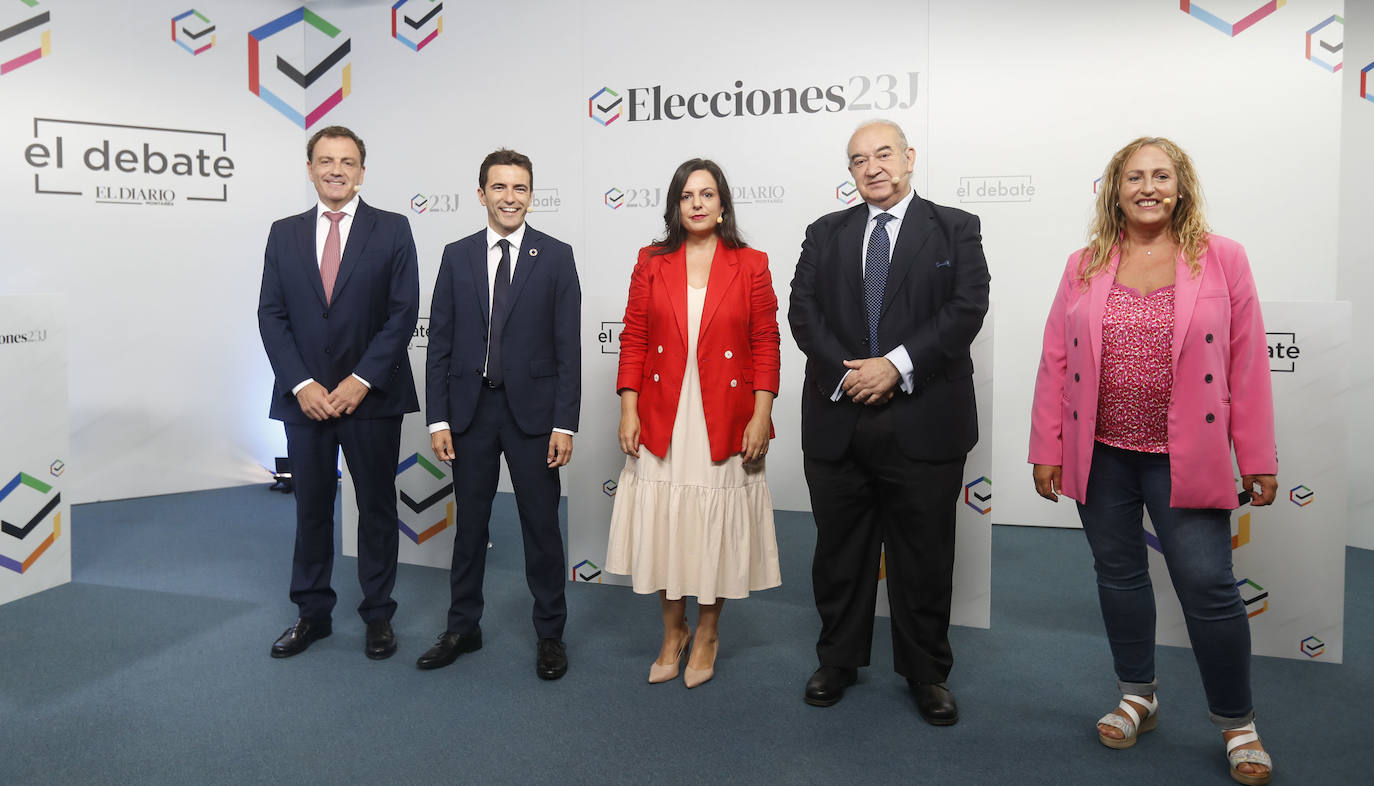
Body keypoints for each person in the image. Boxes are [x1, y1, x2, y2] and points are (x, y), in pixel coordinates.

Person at [1028, 136, 1276, 785]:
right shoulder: (1083, 264)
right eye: (1134, 176)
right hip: (1101, 453)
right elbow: (1056, 359)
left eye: (1160, 176)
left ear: (1181, 185)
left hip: (1182, 457)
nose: (1147, 187)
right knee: (1119, 577)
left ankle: (1237, 722)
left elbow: (1247, 367)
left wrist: (1257, 456)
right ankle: (1138, 694)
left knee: (1209, 588)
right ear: (1115, 189)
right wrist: (1045, 448)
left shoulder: (1223, 260)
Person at [788, 120, 989, 723]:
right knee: (839, 552)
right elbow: (803, 311)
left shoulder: (955, 228)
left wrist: (895, 367)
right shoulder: (825, 233)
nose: (871, 167)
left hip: (923, 418)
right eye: (857, 160)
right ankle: (838, 660)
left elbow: (966, 309)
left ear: (909, 158)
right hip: (839, 415)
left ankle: (926, 672)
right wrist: (851, 373)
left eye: (883, 154)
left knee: (923, 556)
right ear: (849, 173)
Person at [606, 158, 782, 689]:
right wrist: (629, 407)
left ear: (723, 203)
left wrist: (761, 413)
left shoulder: (751, 263)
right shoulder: (651, 261)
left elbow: (766, 342)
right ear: (675, 205)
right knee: (668, 524)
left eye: (707, 194)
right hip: (663, 412)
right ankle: (672, 630)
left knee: (713, 526)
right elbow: (634, 336)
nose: (698, 203)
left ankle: (707, 632)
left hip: (725, 415)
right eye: (688, 195)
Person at [257, 125, 420, 661]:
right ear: (309, 169)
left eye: (347, 161)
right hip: (304, 400)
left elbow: (402, 315)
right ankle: (312, 614)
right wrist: (301, 383)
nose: (336, 169)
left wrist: (360, 380)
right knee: (311, 508)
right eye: (325, 160)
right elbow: (271, 314)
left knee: (375, 507)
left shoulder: (393, 229)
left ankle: (378, 615)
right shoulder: (283, 233)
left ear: (362, 172)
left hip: (371, 398)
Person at [421, 149, 581, 680]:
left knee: (541, 528)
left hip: (534, 417)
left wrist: (565, 422)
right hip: (470, 414)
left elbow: (568, 348)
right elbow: (438, 341)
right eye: (499, 187)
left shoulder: (556, 256)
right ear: (481, 193)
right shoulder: (456, 254)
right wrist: (438, 419)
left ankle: (550, 634)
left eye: (520, 188)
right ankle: (463, 626)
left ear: (531, 195)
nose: (510, 198)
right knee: (469, 527)